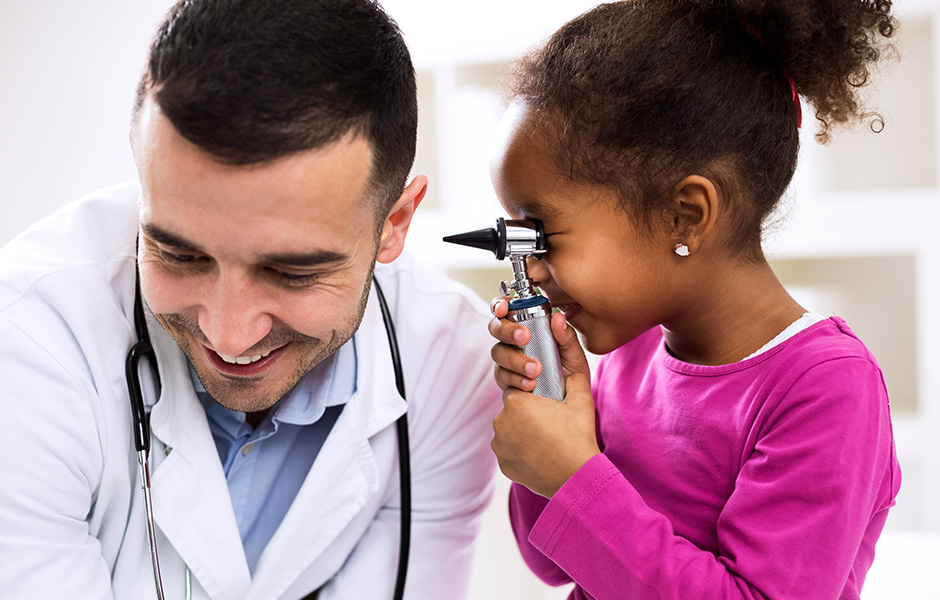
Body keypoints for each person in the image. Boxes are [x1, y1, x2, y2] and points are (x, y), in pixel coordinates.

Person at [0, 0, 500, 598]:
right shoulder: (25, 343)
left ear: (394, 223)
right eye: (179, 256)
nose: (229, 334)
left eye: (290, 273)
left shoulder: (450, 364)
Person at [485, 1, 902, 598]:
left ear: (686, 214)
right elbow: (552, 564)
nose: (530, 267)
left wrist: (572, 474)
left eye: (543, 234)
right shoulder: (631, 356)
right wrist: (551, 416)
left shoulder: (826, 388)